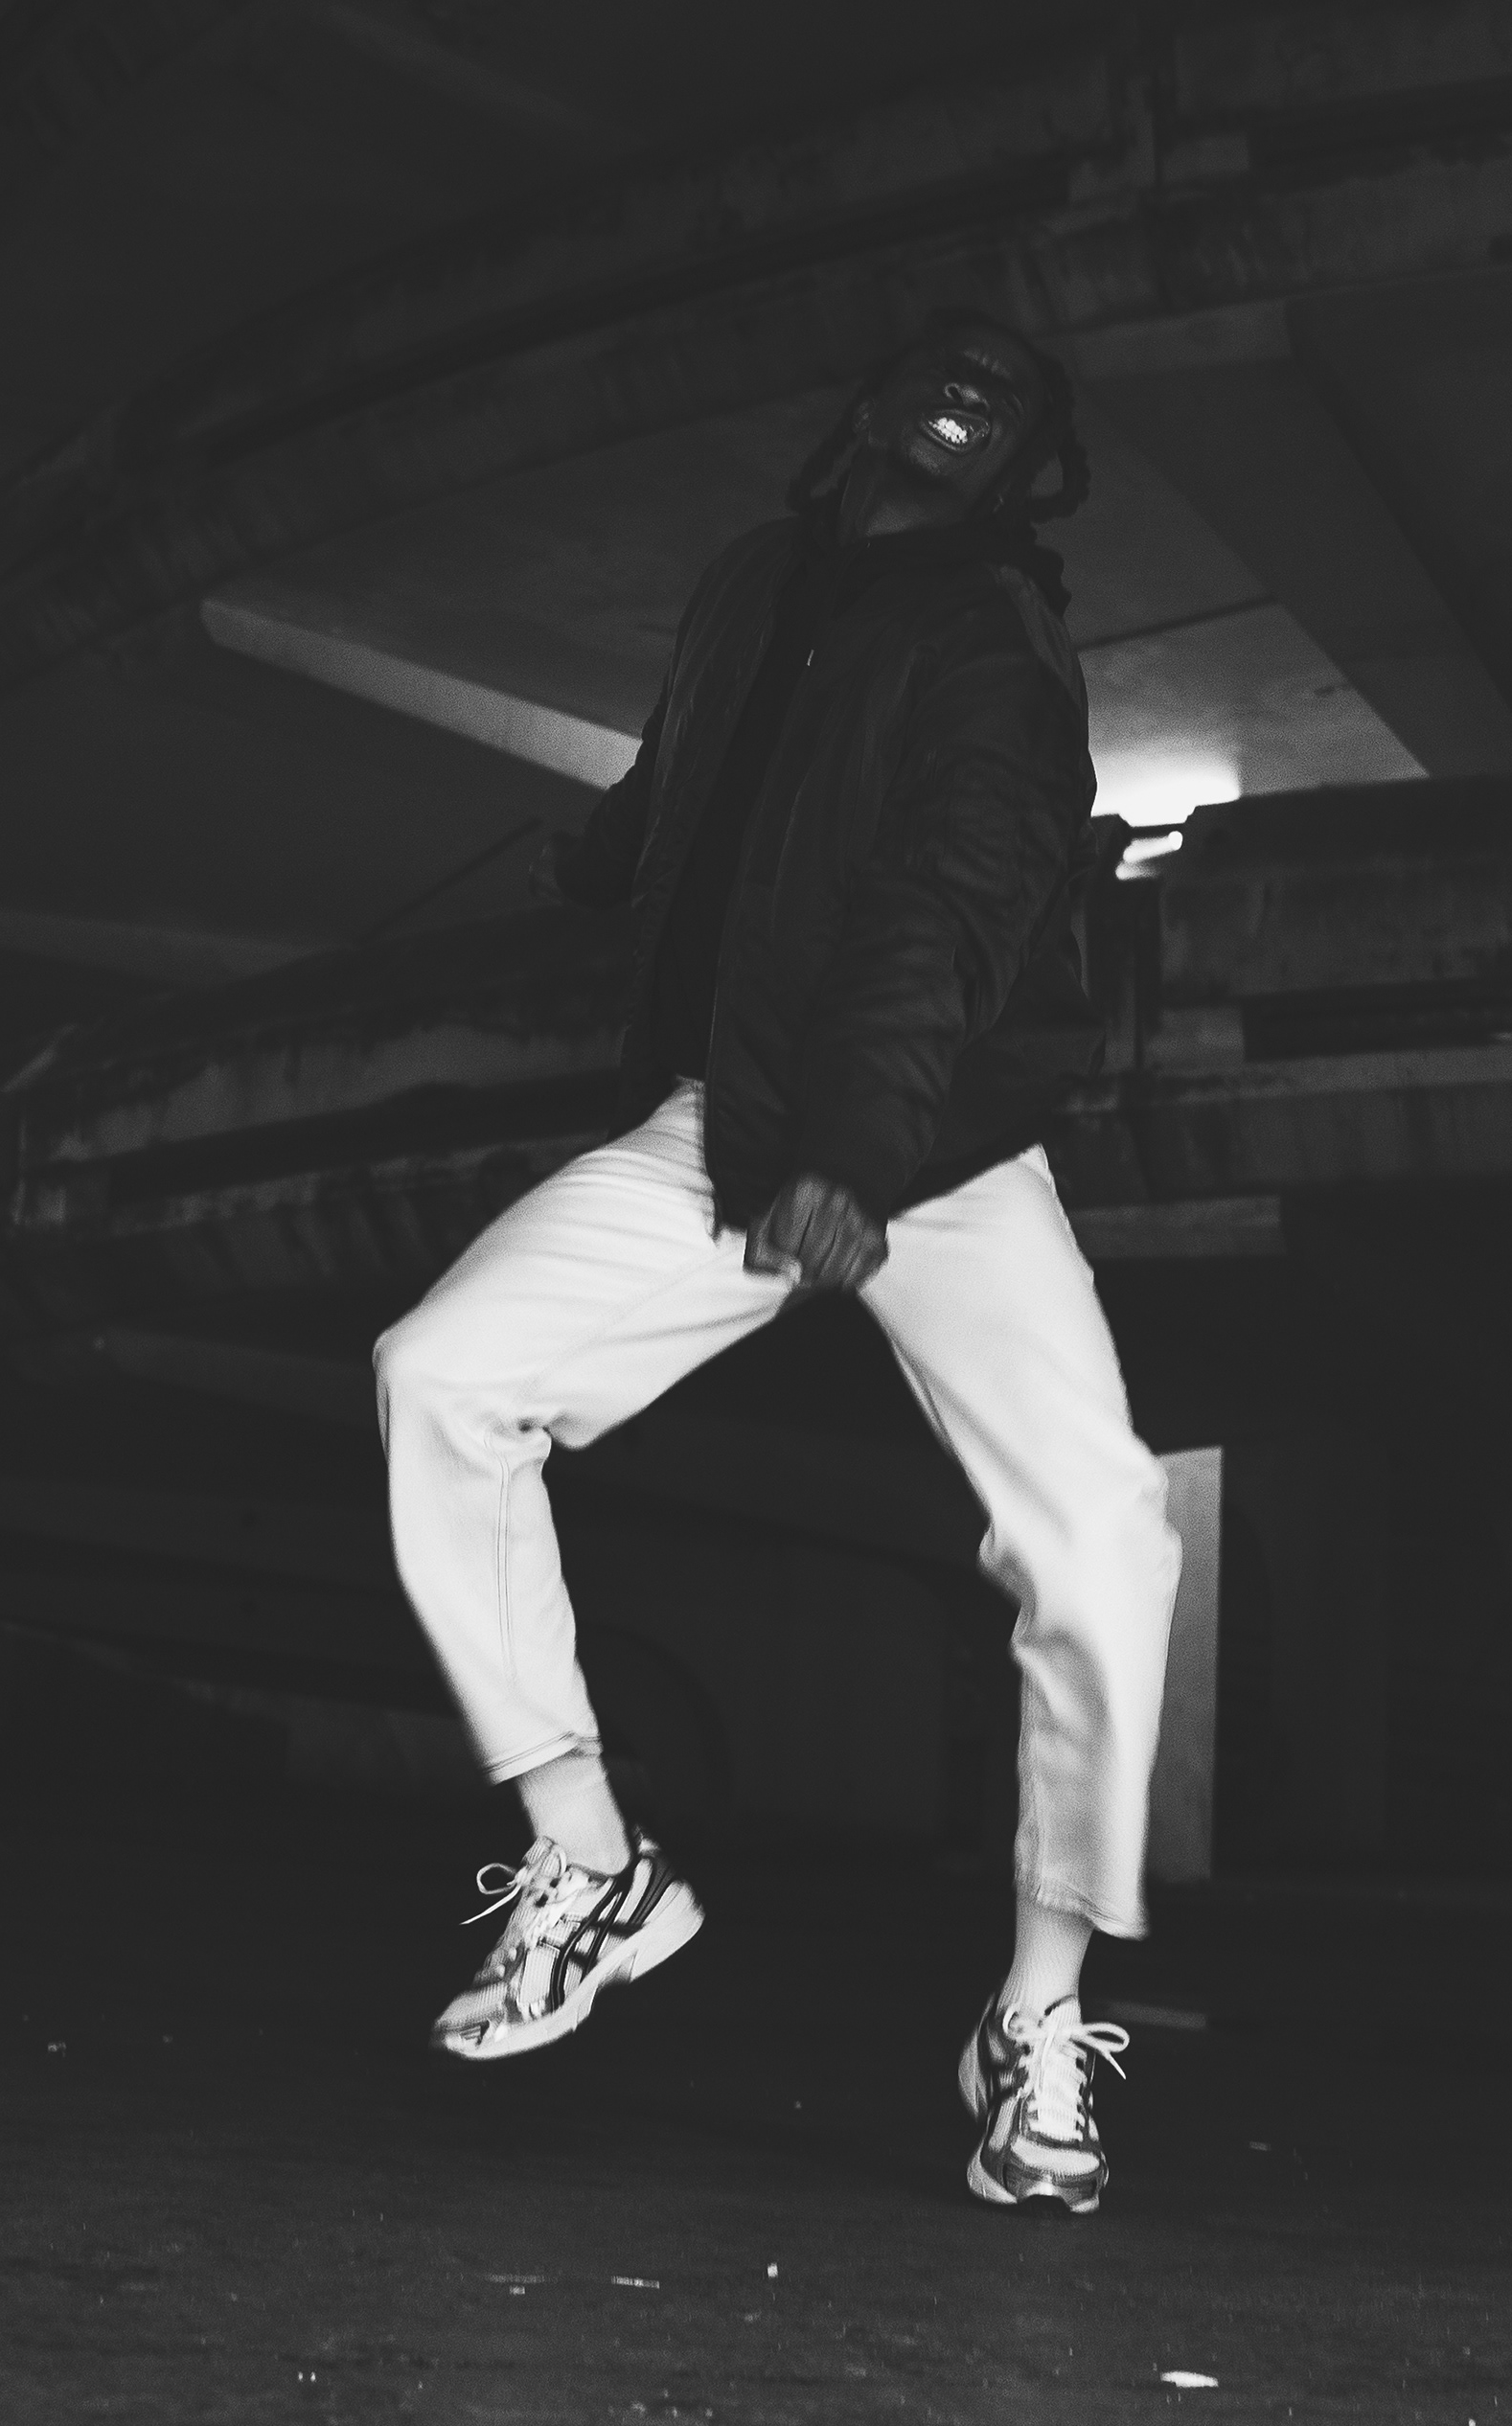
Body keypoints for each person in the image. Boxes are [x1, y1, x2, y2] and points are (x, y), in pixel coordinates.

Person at [374, 309, 1181, 2213]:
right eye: (941, 370)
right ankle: (591, 1865)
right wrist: (604, 865)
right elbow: (697, 781)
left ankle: (1038, 2018)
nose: (962, 400)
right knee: (442, 1376)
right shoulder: (755, 582)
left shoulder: (996, 642)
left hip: (931, 1149)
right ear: (868, 404)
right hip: (735, 1118)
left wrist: (859, 1151)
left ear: (1026, 466)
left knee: (1102, 1543)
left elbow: (950, 904)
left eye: (1002, 399)